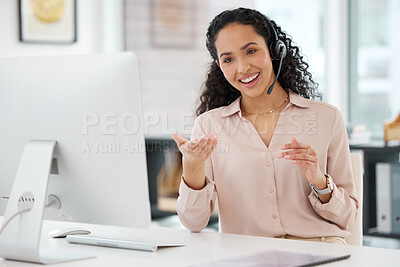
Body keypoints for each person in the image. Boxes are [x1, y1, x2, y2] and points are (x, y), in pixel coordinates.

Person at [172, 7, 358, 244]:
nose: (243, 68)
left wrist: (319, 180)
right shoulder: (209, 125)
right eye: (229, 59)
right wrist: (193, 167)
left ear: (273, 50)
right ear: (219, 65)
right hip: (247, 253)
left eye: (251, 51)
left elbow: (348, 216)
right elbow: (193, 223)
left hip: (320, 247)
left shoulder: (326, 118)